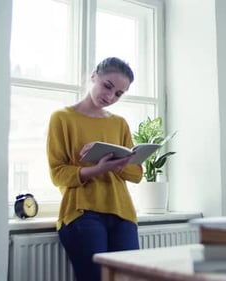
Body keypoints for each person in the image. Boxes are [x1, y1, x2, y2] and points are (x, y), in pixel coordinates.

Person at [46, 57, 143, 281]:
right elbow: (58, 174)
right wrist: (98, 169)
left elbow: (136, 175)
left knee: (129, 278)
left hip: (122, 212)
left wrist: (118, 163)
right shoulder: (62, 118)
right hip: (82, 212)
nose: (110, 96)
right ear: (93, 76)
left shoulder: (119, 123)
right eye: (107, 86)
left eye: (118, 94)